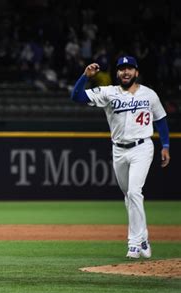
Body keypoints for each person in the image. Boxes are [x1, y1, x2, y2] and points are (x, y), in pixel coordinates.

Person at [71, 56, 171, 259]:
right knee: (129, 196)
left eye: (129, 69)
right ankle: (142, 238)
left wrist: (166, 145)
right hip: (118, 150)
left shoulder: (149, 94)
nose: (126, 72)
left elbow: (160, 120)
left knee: (134, 192)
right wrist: (85, 76)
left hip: (142, 147)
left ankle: (134, 243)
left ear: (136, 72)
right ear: (117, 73)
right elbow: (77, 97)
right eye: (122, 69)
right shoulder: (109, 92)